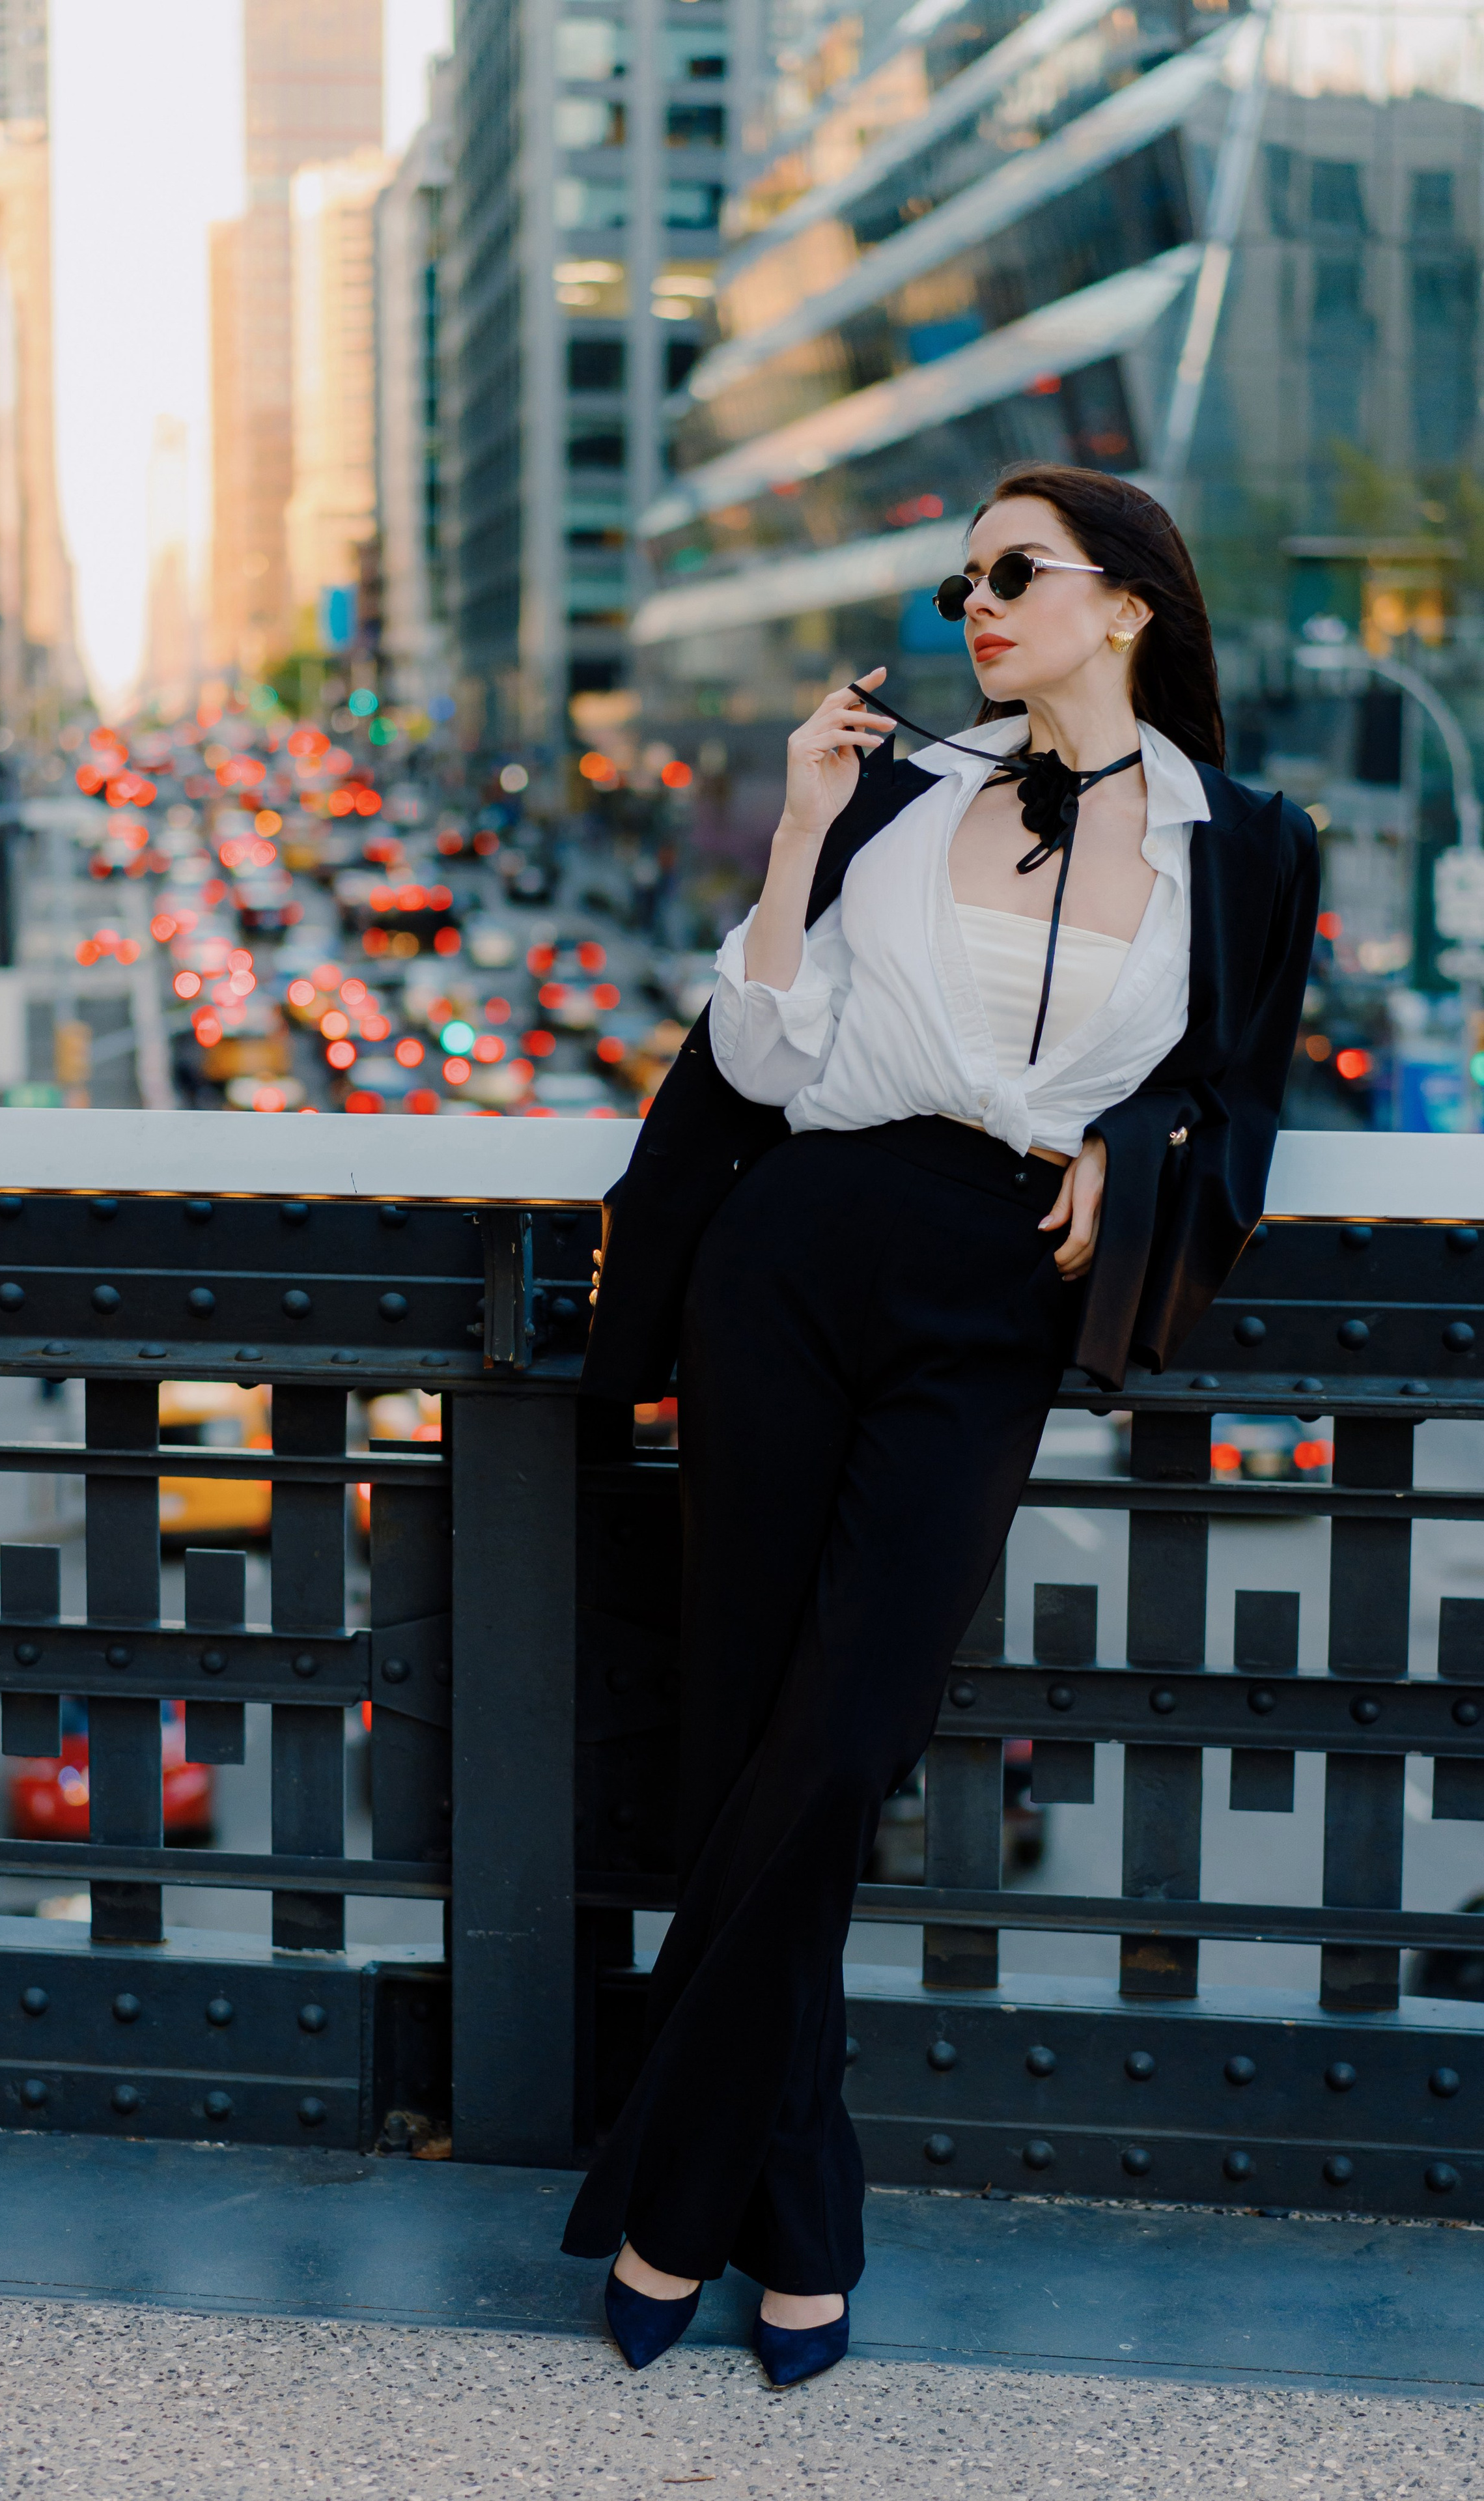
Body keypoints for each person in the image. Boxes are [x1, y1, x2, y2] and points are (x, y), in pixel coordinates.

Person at [564, 462, 1319, 2385]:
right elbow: (761, 1057)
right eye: (961, 577)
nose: (974, 604)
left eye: (1015, 572)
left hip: (997, 1292)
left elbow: (1233, 1100)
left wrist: (1138, 1146)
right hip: (794, 1255)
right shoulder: (899, 787)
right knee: (748, 1724)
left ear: (1129, 602)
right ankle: (796, 2223)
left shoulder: (1252, 839)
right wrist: (799, 839)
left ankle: (670, 2196)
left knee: (843, 1740)